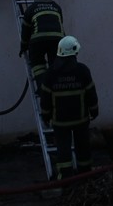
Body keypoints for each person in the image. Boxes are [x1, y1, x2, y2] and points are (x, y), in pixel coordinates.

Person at [38, 35, 99, 180]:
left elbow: (45, 99)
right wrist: (94, 110)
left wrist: (45, 116)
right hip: (81, 119)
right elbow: (91, 93)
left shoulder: (50, 74)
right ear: (75, 52)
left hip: (60, 122)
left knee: (63, 149)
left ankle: (66, 177)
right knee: (83, 147)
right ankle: (85, 174)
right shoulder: (83, 70)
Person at [20, 0, 65, 81]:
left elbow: (25, 30)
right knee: (54, 63)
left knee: (37, 64)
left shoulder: (31, 9)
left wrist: (23, 46)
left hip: (38, 41)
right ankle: (54, 86)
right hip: (57, 40)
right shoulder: (57, 7)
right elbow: (60, 26)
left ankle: (42, 87)